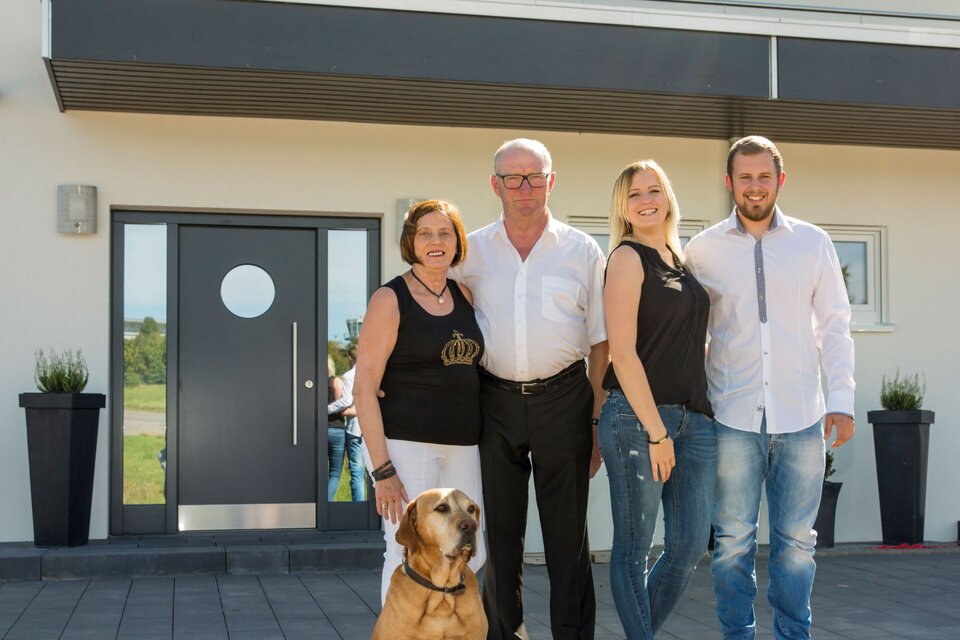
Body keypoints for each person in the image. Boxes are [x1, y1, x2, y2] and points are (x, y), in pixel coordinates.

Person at [684, 136, 855, 640]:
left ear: (781, 179)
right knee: (733, 541)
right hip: (731, 416)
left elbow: (835, 326)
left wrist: (842, 401)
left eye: (764, 176)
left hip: (802, 417)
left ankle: (792, 634)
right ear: (729, 182)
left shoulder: (813, 242)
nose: (754, 186)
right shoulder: (703, 250)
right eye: (745, 177)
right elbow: (691, 333)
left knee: (797, 542)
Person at [452, 138, 608, 640]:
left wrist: (597, 416)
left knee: (568, 536)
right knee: (497, 535)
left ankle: (572, 634)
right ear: (494, 184)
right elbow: (440, 320)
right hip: (492, 402)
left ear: (551, 180)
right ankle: (505, 633)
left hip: (565, 400)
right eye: (513, 177)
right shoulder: (469, 251)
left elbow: (601, 343)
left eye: (535, 176)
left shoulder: (582, 250)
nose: (525, 187)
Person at [598, 160, 716, 639]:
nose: (646, 200)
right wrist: (657, 432)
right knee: (634, 546)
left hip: (696, 420)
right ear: (622, 209)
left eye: (653, 190)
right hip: (638, 420)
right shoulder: (627, 258)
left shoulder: (678, 257)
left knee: (689, 546)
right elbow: (622, 355)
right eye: (634, 194)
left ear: (668, 196)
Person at [353, 198, 487, 605]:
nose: (435, 241)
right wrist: (383, 471)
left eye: (444, 233)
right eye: (424, 233)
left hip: (464, 444)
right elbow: (363, 389)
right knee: (406, 551)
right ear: (410, 242)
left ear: (457, 241)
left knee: (471, 554)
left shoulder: (465, 294)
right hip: (408, 446)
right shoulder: (390, 299)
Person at [326, 345, 365, 501]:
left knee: (355, 471)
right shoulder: (373, 373)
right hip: (367, 428)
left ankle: (357, 506)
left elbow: (346, 401)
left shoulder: (349, 376)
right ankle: (363, 508)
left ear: (350, 358)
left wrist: (327, 409)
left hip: (354, 428)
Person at [326, 355, 346, 501]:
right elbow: (340, 406)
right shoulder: (335, 381)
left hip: (320, 429)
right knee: (334, 472)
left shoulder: (314, 382)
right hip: (337, 430)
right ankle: (327, 503)